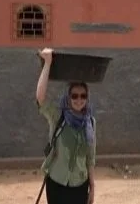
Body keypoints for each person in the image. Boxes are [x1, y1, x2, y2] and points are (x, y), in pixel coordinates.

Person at [36, 47, 96, 204]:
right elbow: (41, 98)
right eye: (74, 95)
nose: (79, 99)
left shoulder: (90, 123)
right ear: (68, 97)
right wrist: (47, 64)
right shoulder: (58, 117)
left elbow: (90, 157)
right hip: (57, 182)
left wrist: (92, 187)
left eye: (83, 96)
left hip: (80, 184)